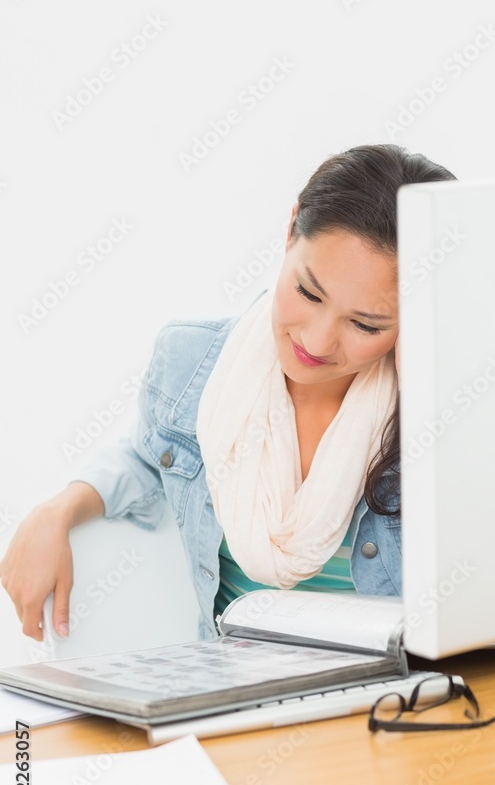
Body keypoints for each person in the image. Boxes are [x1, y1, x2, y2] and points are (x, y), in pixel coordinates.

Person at [0, 143, 456, 643]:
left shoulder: (443, 404)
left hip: (399, 695)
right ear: (290, 231)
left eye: (366, 324)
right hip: (232, 690)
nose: (317, 341)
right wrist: (54, 512)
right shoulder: (192, 364)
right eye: (308, 292)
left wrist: (435, 387)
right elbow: (149, 459)